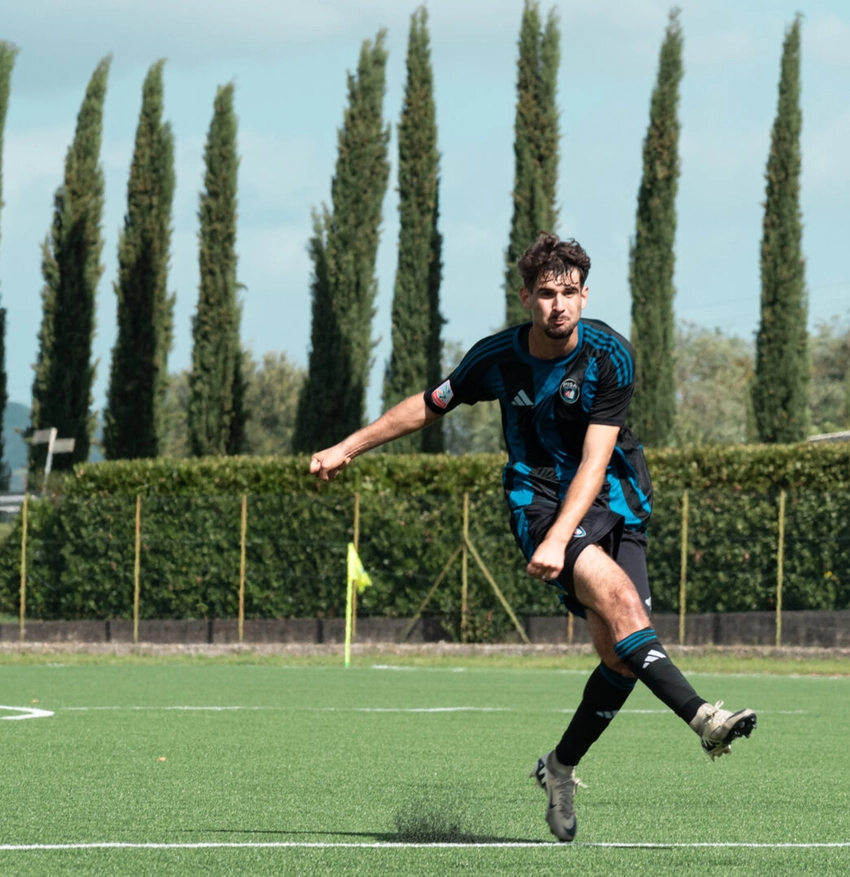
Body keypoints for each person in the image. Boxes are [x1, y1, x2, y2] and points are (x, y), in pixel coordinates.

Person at [309, 233, 756, 843]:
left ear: (584, 294)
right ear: (526, 297)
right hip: (539, 502)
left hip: (617, 500)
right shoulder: (495, 359)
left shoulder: (610, 356)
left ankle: (560, 768)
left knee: (621, 660)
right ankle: (705, 719)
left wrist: (564, 539)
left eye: (569, 292)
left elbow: (597, 461)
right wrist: (347, 447)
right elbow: (428, 405)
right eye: (546, 293)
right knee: (623, 608)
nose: (558, 305)